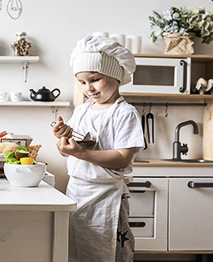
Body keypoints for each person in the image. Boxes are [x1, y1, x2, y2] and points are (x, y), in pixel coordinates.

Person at [53, 35, 145, 262]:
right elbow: (66, 151)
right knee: (76, 251)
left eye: (94, 79)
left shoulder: (124, 113)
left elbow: (123, 158)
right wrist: (61, 140)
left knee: (106, 253)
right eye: (82, 82)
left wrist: (81, 153)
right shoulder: (84, 110)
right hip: (77, 191)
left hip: (106, 197)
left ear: (116, 76)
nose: (89, 88)